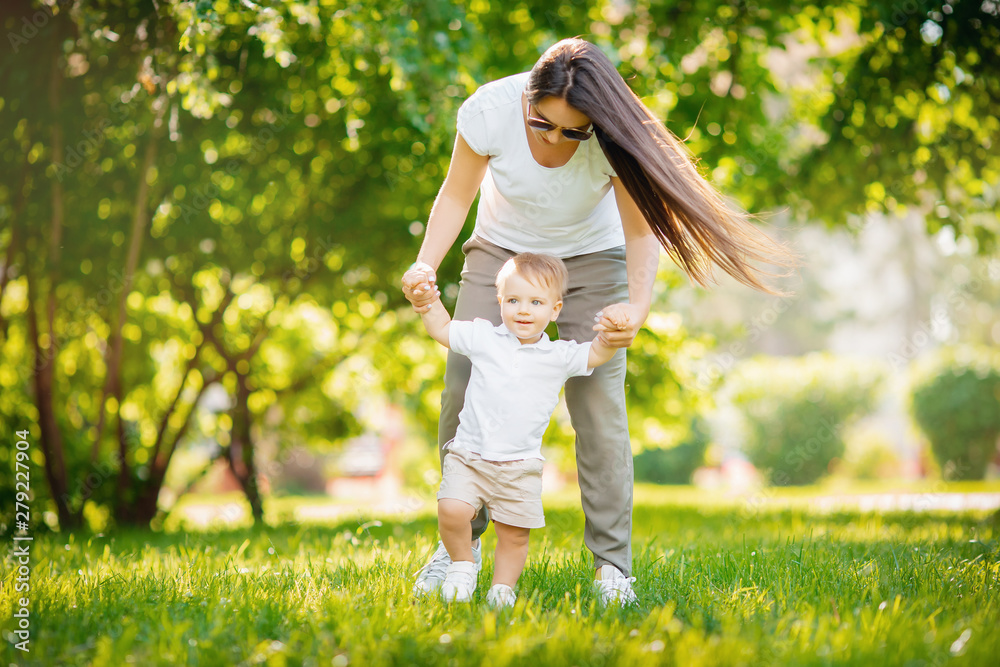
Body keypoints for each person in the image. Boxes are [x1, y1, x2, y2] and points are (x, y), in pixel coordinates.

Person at [402, 38, 793, 606]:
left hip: (593, 257)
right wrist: (424, 264)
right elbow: (457, 195)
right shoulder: (489, 110)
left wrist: (636, 308)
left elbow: (639, 231)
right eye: (543, 124)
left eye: (573, 133)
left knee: (599, 410)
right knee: (462, 390)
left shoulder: (616, 138)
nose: (555, 140)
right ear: (527, 102)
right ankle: (459, 547)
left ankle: (613, 567)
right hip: (502, 254)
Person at [418, 252, 629, 607]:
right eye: (513, 300)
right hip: (469, 454)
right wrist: (428, 302)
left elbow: (593, 355)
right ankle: (461, 565)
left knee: (514, 536)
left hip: (519, 466)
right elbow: (442, 329)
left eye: (536, 302)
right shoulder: (483, 338)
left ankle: (503, 588)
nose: (524, 310)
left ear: (555, 310)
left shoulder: (558, 355)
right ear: (500, 302)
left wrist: (609, 337)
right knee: (451, 509)